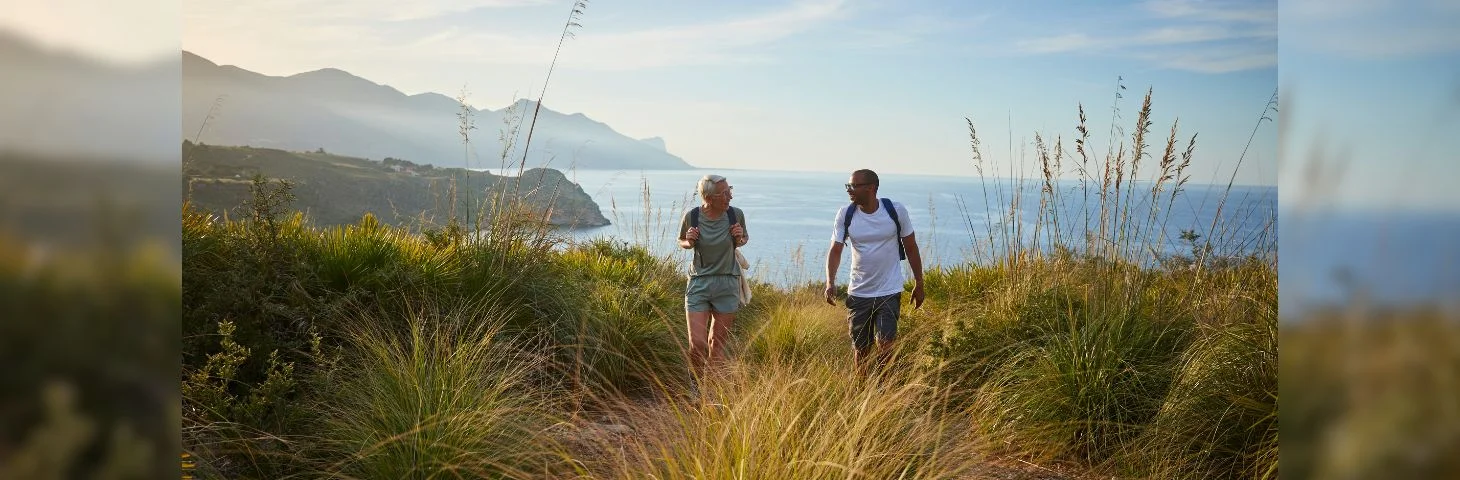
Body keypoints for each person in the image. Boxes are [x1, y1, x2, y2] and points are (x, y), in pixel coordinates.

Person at [824, 169, 925, 377]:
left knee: (886, 344)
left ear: (871, 188)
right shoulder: (845, 214)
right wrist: (830, 282)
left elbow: (911, 247)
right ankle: (861, 389)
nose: (849, 190)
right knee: (861, 349)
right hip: (859, 292)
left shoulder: (895, 211)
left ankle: (883, 388)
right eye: (848, 186)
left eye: (853, 186)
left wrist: (919, 281)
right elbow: (835, 250)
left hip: (889, 289)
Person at [677, 174, 749, 384]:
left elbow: (743, 239)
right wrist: (688, 242)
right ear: (709, 197)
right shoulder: (692, 216)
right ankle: (695, 383)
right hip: (699, 282)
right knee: (697, 343)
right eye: (725, 193)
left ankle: (710, 392)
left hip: (727, 283)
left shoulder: (736, 215)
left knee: (716, 344)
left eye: (730, 190)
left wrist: (739, 237)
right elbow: (681, 240)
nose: (730, 197)